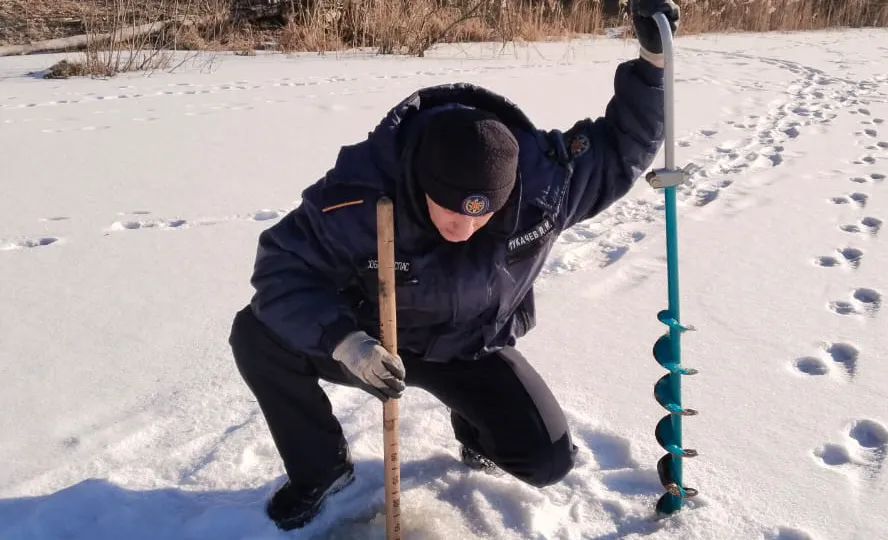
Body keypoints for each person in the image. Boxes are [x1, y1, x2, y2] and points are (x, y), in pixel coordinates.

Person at [229, 0, 679, 531]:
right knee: (256, 333)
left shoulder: (545, 187)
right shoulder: (360, 196)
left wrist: (653, 63)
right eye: (449, 211)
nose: (465, 228)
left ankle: (475, 427)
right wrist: (346, 344)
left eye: (483, 215)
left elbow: (622, 144)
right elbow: (282, 270)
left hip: (471, 347)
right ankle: (320, 468)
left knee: (547, 461)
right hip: (376, 342)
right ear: (422, 182)